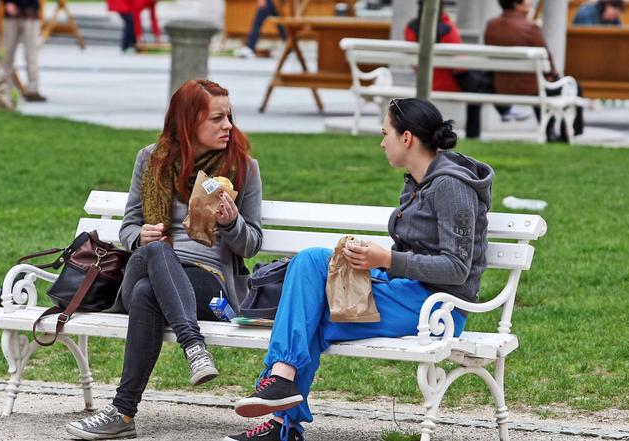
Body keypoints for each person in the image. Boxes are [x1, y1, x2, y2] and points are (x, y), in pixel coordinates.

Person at [224, 97, 493, 441]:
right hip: (404, 291)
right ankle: (280, 387)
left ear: (407, 138)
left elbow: (457, 269)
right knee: (310, 260)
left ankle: (282, 422)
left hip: (437, 308)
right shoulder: (417, 181)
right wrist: (371, 259)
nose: (382, 142)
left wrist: (386, 260)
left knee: (314, 316)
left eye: (386, 134)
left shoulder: (451, 186)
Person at [66, 79, 264, 440]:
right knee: (157, 250)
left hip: (209, 285)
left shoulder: (243, 168)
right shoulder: (151, 159)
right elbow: (129, 224)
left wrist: (232, 222)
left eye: (230, 117)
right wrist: (138, 236)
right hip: (146, 261)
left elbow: (252, 245)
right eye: (217, 118)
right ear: (189, 121)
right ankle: (194, 345)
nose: (228, 126)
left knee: (146, 294)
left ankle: (122, 414)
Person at [404, 1, 527, 140]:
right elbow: (459, 64)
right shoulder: (447, 29)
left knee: (478, 82)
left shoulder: (410, 28)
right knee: (479, 85)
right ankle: (481, 128)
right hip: (448, 81)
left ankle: (504, 111)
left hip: (426, 80)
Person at [485, 0, 584, 142]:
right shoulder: (530, 28)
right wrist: (554, 75)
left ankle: (550, 132)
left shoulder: (491, 25)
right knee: (572, 86)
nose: (530, 2)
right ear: (516, 4)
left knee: (540, 84)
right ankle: (567, 134)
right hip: (531, 87)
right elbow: (547, 62)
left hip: (500, 85)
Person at [2, 0, 46, 102]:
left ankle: (33, 89)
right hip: (11, 15)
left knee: (31, 54)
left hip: (31, 14)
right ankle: (5, 87)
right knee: (7, 55)